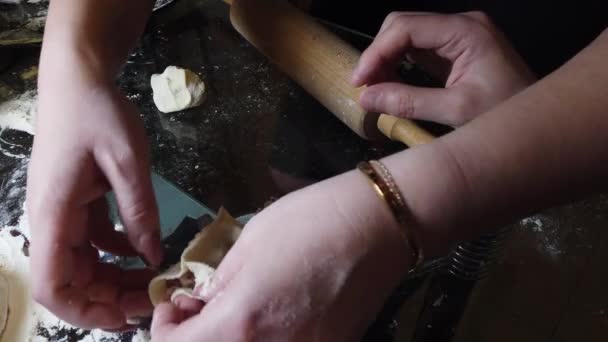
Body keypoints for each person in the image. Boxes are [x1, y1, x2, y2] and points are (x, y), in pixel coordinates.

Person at [26, 0, 608, 340]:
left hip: (568, 92)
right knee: (297, 199)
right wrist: (74, 63)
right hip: (340, 37)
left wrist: (402, 205)